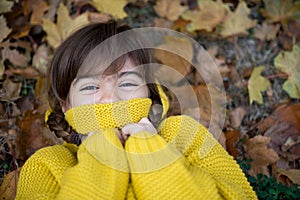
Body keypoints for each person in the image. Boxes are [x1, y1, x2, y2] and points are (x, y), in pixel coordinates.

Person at [16, 20, 257, 199]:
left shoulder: (184, 136)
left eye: (128, 83)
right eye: (90, 86)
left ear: (151, 95)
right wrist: (102, 152)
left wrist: (149, 148)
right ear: (66, 105)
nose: (111, 98)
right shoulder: (47, 165)